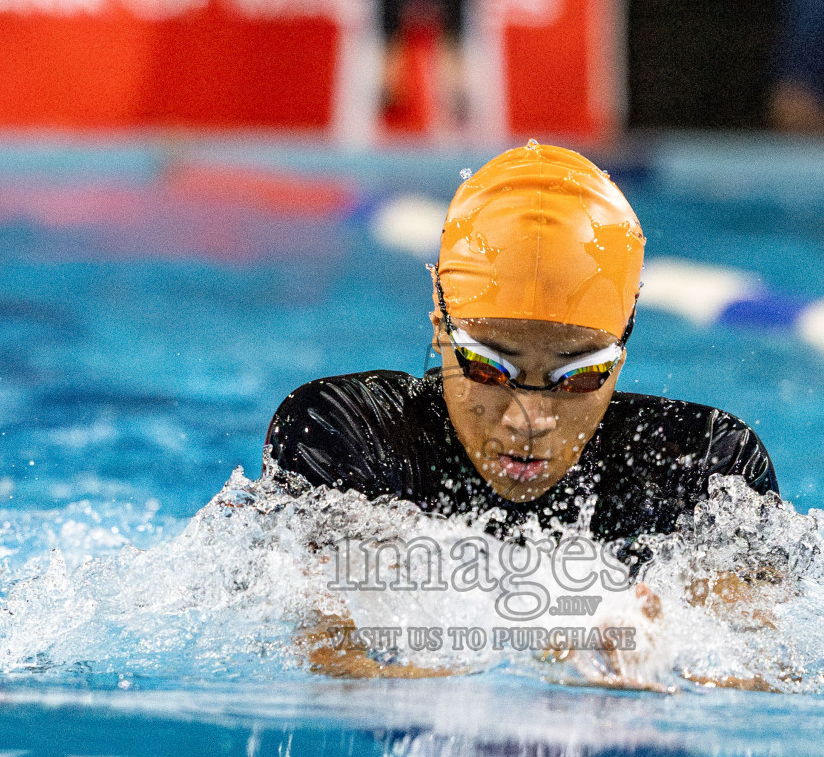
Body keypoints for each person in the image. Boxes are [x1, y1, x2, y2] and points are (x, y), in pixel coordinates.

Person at [263, 142, 779, 681]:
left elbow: (753, 670)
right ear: (441, 323)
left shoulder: (702, 466)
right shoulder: (348, 434)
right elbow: (326, 657)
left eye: (578, 376)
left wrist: (663, 670)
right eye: (488, 368)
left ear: (622, 349)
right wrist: (513, 689)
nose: (529, 418)